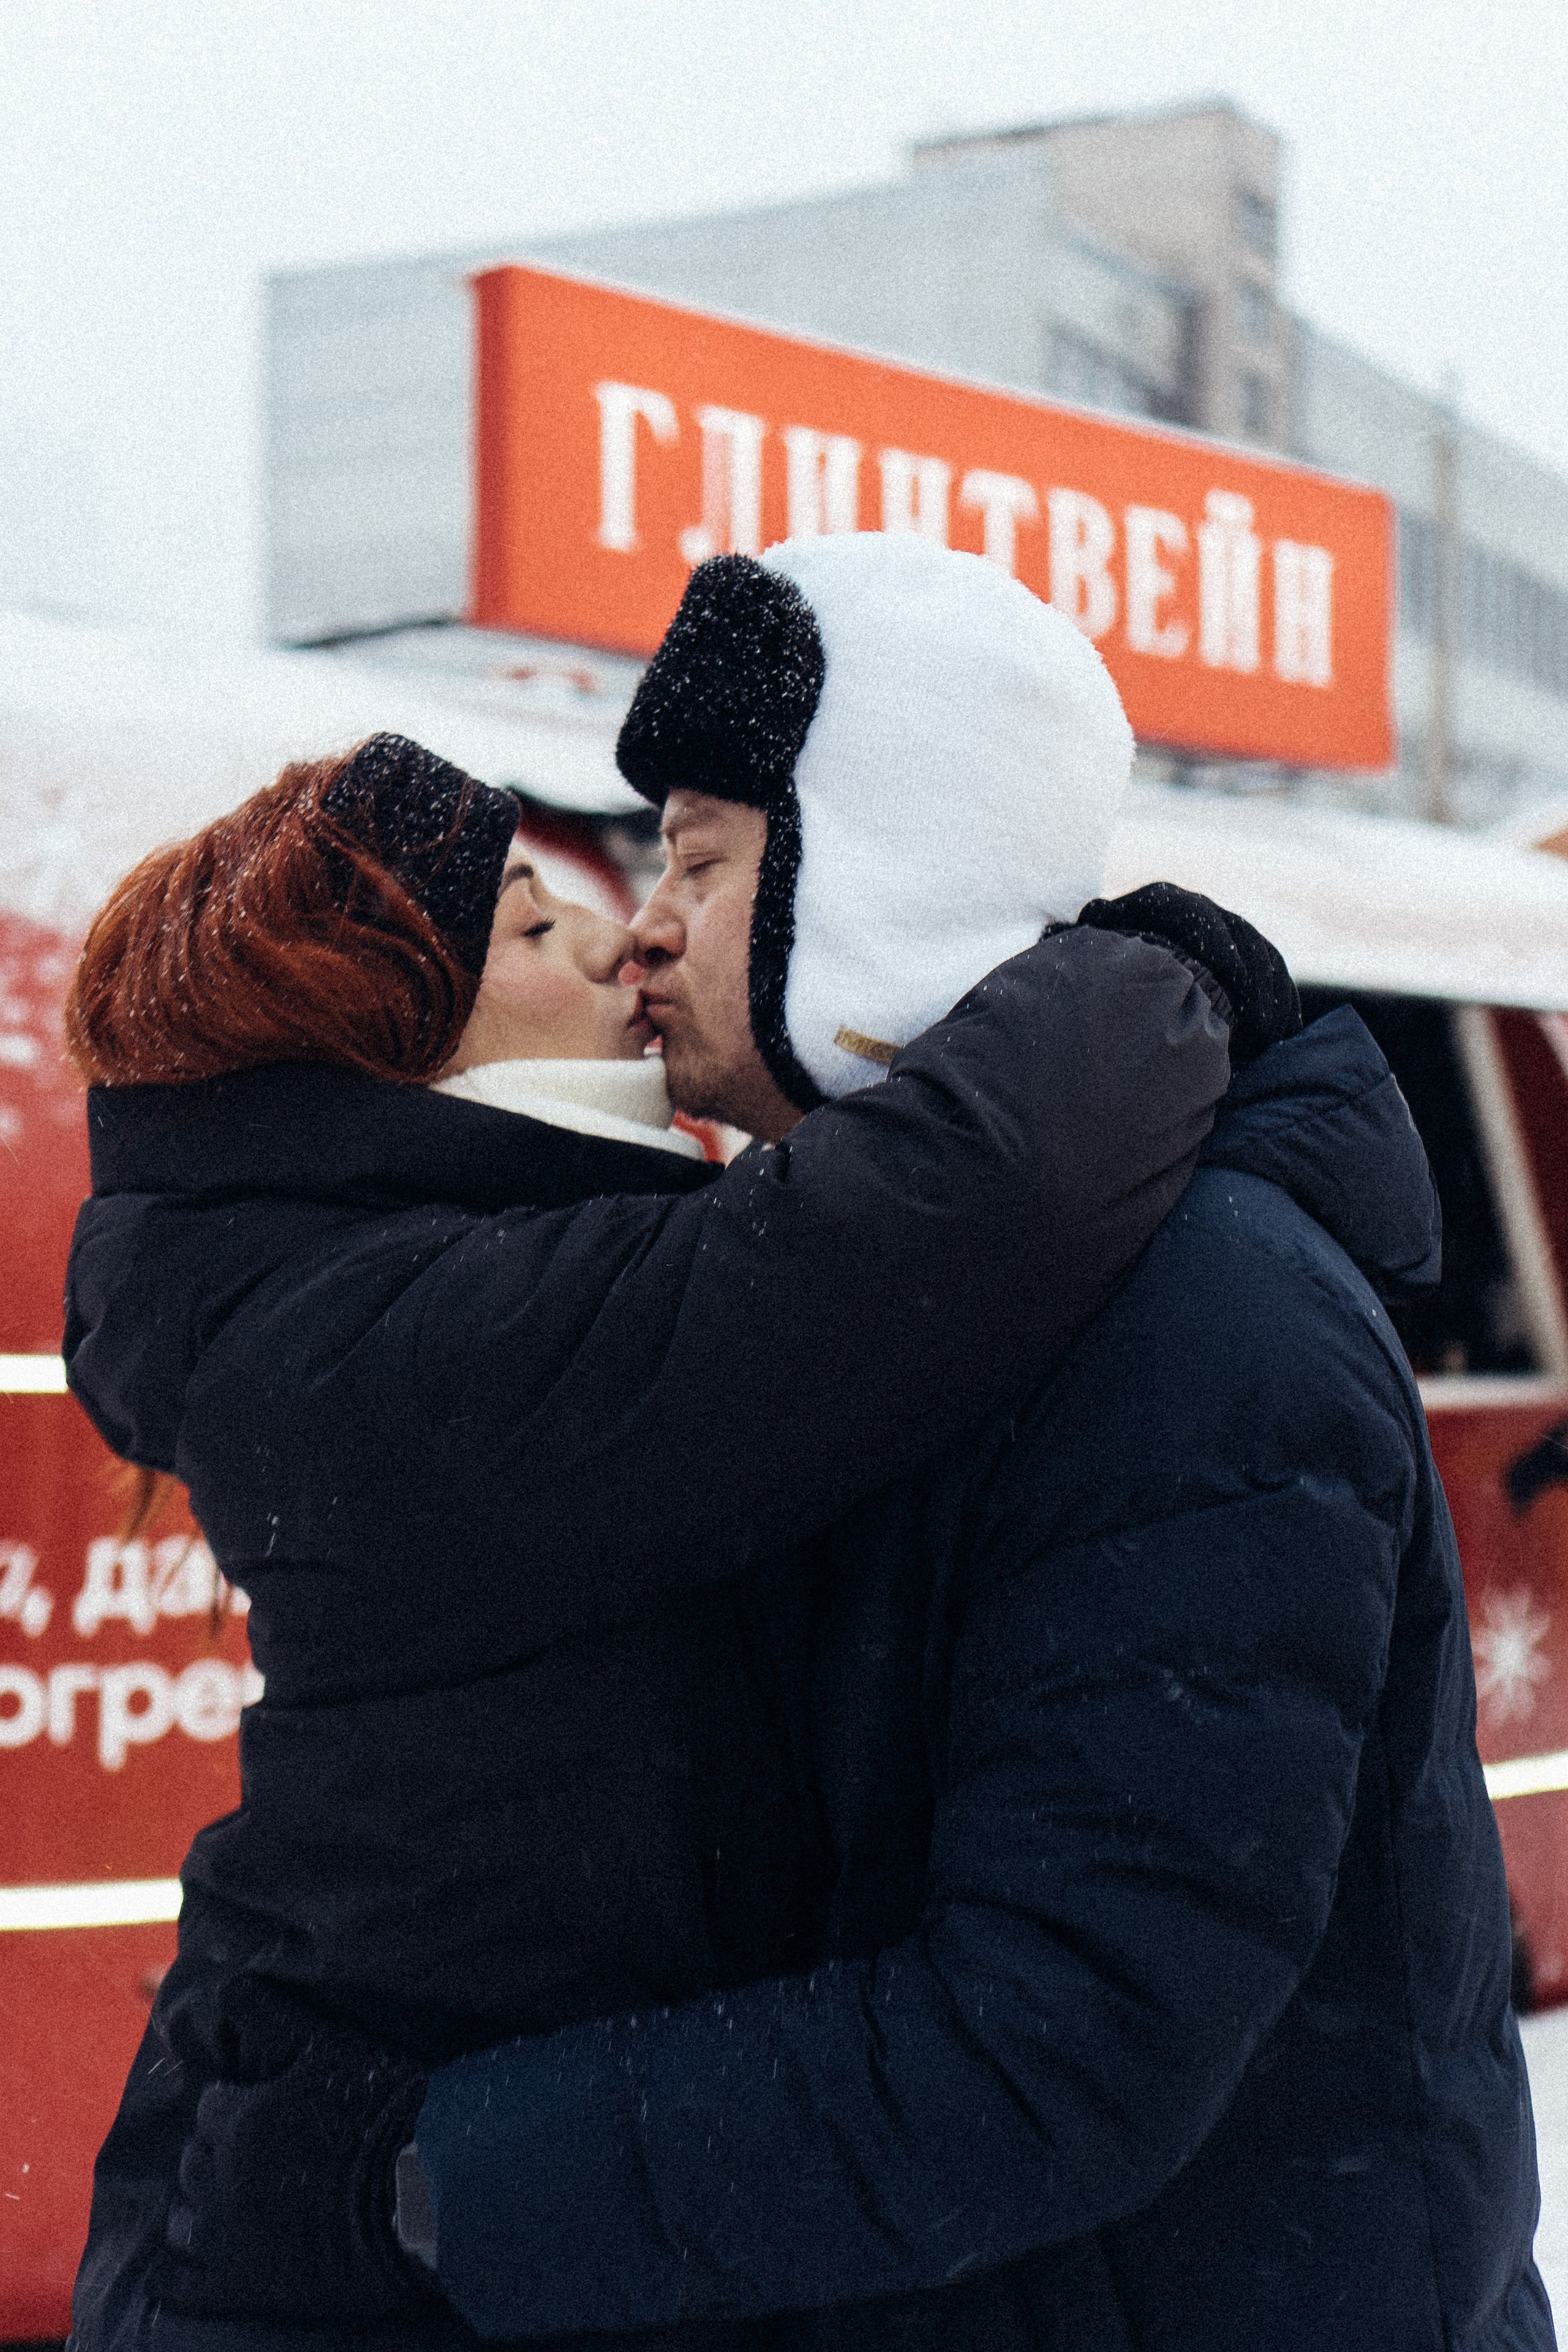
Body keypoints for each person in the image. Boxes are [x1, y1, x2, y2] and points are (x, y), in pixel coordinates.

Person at [156, 533, 1549, 2352]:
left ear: (879, 880)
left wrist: (433, 2186)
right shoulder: (891, 1307)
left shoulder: (1201, 1314)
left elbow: (1061, 2039)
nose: (646, 925)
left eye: (703, 861)